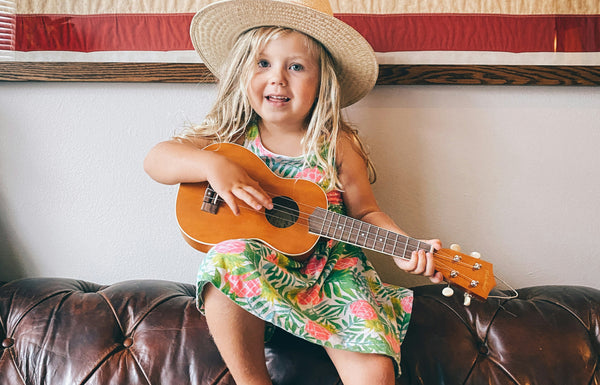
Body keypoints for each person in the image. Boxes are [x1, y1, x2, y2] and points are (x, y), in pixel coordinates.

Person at [144, 0, 443, 384]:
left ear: (322, 81)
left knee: (376, 375)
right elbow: (156, 159)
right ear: (241, 73)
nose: (278, 78)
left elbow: (366, 213)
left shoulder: (336, 144)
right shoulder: (230, 138)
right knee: (225, 260)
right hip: (261, 277)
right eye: (263, 63)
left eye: (296, 66)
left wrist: (405, 246)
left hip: (333, 275)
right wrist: (213, 165)